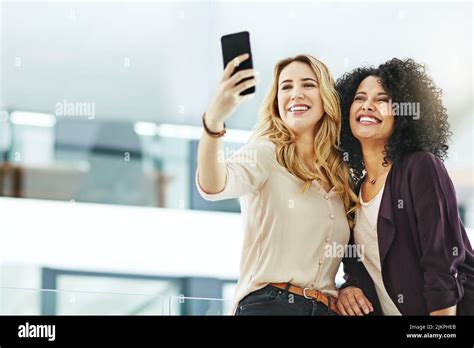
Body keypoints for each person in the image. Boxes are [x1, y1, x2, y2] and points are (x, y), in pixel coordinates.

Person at [196, 53, 358, 315]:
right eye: (286, 87)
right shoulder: (265, 153)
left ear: (326, 96)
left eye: (308, 84)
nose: (295, 94)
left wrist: (352, 285)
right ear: (276, 101)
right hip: (270, 305)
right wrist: (213, 122)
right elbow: (214, 185)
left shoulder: (341, 174)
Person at [335, 58, 474, 316]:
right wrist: (348, 287)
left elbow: (441, 265)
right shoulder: (353, 191)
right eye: (360, 98)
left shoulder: (421, 167)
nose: (368, 105)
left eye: (382, 99)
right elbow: (358, 269)